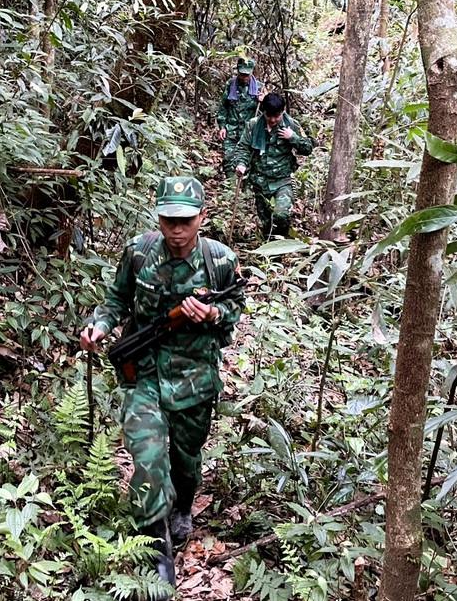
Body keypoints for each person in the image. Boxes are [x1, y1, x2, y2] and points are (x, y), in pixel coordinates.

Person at [80, 176, 244, 592]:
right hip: (145, 375)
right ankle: (156, 547)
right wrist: (100, 325)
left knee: (186, 459)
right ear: (158, 216)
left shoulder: (220, 261)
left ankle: (182, 506)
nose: (176, 228)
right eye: (169, 219)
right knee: (148, 455)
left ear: (201, 218)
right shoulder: (138, 252)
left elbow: (233, 311)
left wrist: (210, 315)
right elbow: (116, 299)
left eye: (185, 220)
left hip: (194, 378)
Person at [234, 92, 314, 239]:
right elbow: (243, 148)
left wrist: (293, 138)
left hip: (282, 181)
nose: (272, 120)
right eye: (268, 116)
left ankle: (281, 246)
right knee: (266, 223)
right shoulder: (253, 126)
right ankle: (269, 253)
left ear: (282, 112)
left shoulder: (291, 125)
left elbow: (308, 148)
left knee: (281, 216)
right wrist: (241, 164)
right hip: (259, 181)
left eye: (276, 116)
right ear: (263, 112)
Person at [216, 57, 261, 176]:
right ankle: (230, 189)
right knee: (229, 159)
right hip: (231, 130)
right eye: (242, 74)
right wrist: (222, 127)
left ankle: (244, 191)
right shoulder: (231, 84)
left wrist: (263, 101)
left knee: (248, 162)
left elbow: (268, 114)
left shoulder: (259, 88)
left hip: (249, 133)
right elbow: (223, 107)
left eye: (247, 75)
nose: (244, 77)